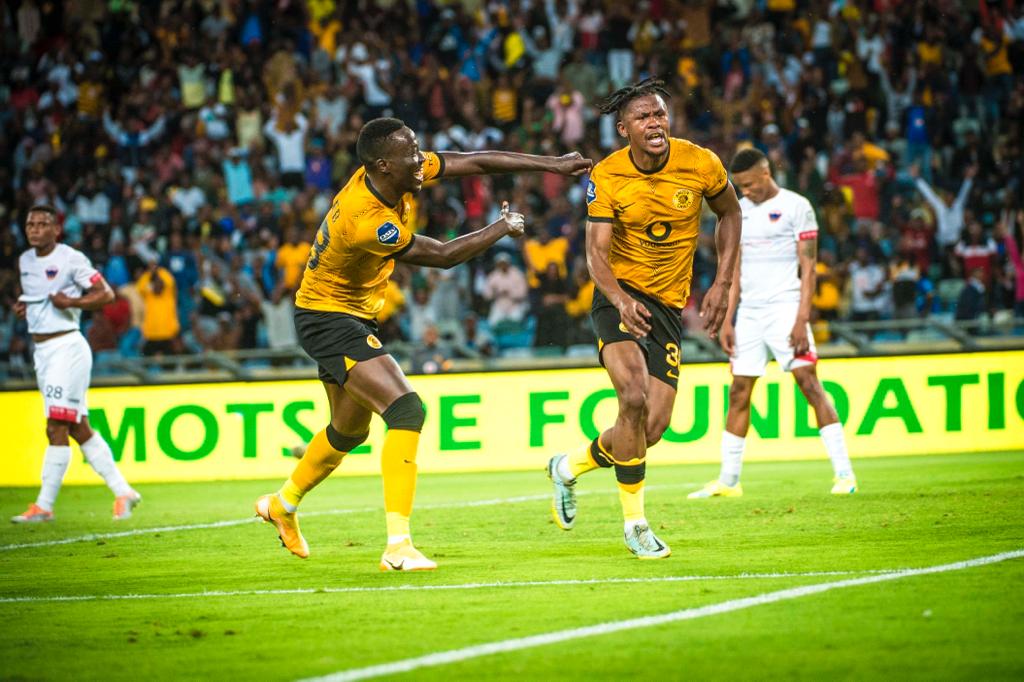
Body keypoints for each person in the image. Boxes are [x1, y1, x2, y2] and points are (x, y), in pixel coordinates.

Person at [255, 117, 591, 570]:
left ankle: (282, 504)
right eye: (410, 154)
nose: (420, 160)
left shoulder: (394, 174)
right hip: (329, 318)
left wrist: (552, 164)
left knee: (348, 432)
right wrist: (501, 227)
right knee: (406, 410)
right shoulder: (367, 220)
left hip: (346, 313)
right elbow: (443, 256)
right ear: (383, 165)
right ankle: (398, 546)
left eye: (418, 150)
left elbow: (475, 162)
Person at [545, 79, 742, 559]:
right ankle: (635, 525)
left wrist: (722, 283)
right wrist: (618, 299)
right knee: (631, 396)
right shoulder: (608, 175)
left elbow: (731, 214)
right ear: (623, 129)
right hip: (619, 296)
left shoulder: (700, 162)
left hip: (668, 305)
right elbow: (595, 253)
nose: (655, 123)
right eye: (643, 117)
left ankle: (568, 466)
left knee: (650, 428)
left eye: (659, 114)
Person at [688, 149, 857, 500]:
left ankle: (845, 474)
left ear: (766, 173)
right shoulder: (739, 212)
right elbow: (734, 271)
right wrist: (729, 320)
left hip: (785, 308)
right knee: (738, 391)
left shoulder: (797, 206)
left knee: (809, 384)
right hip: (750, 313)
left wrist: (801, 319)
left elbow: (809, 269)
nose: (745, 191)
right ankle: (729, 481)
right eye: (740, 186)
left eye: (749, 184)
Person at [11, 205, 142, 523]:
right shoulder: (25, 261)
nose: (34, 229)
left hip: (66, 348)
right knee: (78, 427)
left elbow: (106, 294)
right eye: (30, 224)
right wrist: (28, 308)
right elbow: (41, 298)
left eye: (42, 224)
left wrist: (72, 302)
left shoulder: (71, 258)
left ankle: (44, 505)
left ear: (56, 229)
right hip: (42, 352)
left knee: (55, 426)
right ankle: (123, 492)